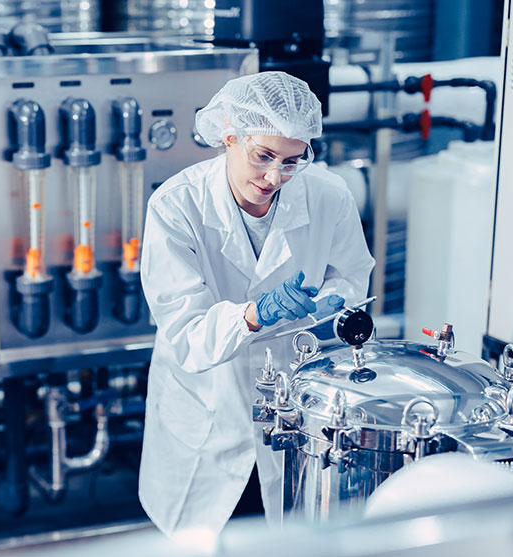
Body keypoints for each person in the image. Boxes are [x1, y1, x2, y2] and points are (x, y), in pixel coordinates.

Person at [137, 71, 375, 538]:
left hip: (296, 411)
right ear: (230, 137)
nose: (274, 177)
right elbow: (185, 332)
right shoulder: (176, 206)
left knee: (287, 537)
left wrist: (332, 307)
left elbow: (352, 276)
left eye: (291, 161)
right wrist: (253, 314)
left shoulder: (329, 195)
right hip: (206, 413)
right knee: (204, 540)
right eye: (262, 156)